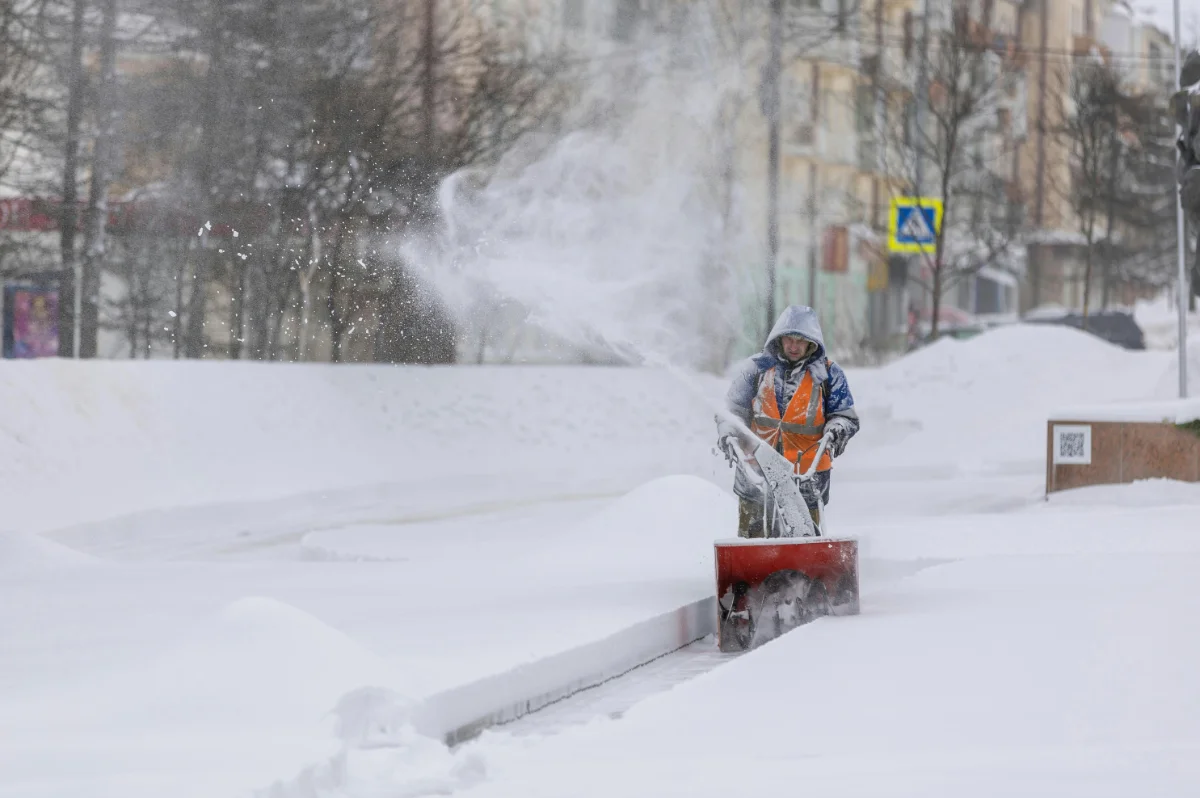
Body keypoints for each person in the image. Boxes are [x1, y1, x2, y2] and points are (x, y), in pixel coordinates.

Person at [718, 305, 860, 538]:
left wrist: (837, 429)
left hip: (806, 475)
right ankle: (751, 572)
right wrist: (728, 432)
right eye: (789, 340)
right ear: (779, 339)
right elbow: (732, 410)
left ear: (812, 343)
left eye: (800, 341)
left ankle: (806, 573)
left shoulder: (828, 375)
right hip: (757, 471)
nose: (794, 347)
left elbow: (844, 415)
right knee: (753, 535)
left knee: (805, 536)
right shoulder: (756, 368)